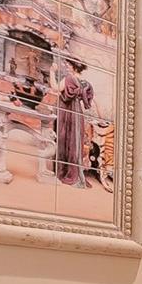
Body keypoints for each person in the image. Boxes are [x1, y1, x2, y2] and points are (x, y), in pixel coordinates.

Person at [54, 56, 94, 188]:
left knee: (65, 138)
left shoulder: (69, 79)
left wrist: (51, 71)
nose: (66, 66)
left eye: (68, 64)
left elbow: (55, 87)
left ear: (72, 66)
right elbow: (88, 100)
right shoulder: (86, 83)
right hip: (78, 115)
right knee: (75, 142)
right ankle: (75, 172)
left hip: (68, 112)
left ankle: (67, 172)